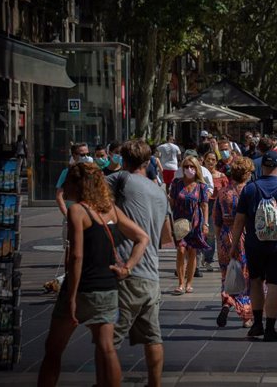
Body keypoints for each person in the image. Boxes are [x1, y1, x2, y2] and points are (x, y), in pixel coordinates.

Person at [38, 162, 149, 387]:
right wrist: (127, 268)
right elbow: (142, 237)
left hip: (81, 288)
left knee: (53, 349)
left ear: (79, 184)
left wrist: (71, 296)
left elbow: (76, 256)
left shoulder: (77, 211)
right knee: (107, 349)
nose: (64, 186)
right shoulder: (109, 209)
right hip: (107, 288)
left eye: (68, 181)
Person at [107, 140, 171, 387]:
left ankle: (106, 382)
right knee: (153, 337)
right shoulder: (159, 192)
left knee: (109, 340)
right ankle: (154, 384)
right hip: (151, 276)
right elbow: (167, 237)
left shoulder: (120, 178)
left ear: (123, 160)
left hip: (128, 270)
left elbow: (91, 191)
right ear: (148, 162)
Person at [230, 151, 277, 341]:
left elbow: (239, 221)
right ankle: (270, 328)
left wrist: (234, 244)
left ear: (263, 167)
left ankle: (257, 324)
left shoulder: (250, 189)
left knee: (256, 282)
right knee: (274, 285)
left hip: (254, 245)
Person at [215, 157, 255, 329]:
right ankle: (246, 316)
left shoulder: (223, 192)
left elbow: (217, 219)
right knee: (246, 276)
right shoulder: (251, 191)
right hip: (245, 235)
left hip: (225, 235)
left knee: (229, 273)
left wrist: (218, 241)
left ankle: (227, 302)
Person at [169, 156, 211, 295]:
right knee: (181, 250)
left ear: (197, 168)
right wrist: (170, 221)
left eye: (192, 167)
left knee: (192, 251)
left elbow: (205, 205)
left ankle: (189, 283)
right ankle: (180, 283)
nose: (189, 169)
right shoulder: (176, 183)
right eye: (186, 166)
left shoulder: (201, 186)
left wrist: (205, 223)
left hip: (196, 222)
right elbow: (172, 202)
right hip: (180, 222)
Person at [56, 143, 92, 248]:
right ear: (74, 155)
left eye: (88, 154)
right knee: (70, 249)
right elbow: (59, 196)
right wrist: (67, 215)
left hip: (90, 216)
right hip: (72, 217)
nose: (86, 157)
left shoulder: (93, 173)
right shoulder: (67, 173)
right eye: (82, 154)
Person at [202, 151, 229, 271]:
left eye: (213, 159)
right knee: (202, 232)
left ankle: (208, 259)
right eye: (208, 159)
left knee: (212, 234)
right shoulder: (200, 175)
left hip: (216, 206)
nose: (210, 162)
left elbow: (227, 192)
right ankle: (202, 256)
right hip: (203, 204)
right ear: (204, 161)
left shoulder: (222, 176)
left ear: (216, 161)